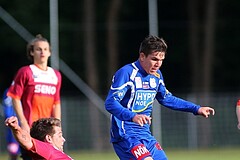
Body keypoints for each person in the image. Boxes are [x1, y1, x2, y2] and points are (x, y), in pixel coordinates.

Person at [105, 35, 215, 160]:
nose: (158, 64)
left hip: (145, 135)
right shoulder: (127, 73)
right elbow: (110, 103)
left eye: (161, 60)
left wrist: (196, 109)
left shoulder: (156, 76)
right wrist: (133, 116)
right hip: (125, 135)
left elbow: (167, 98)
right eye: (154, 59)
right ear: (142, 56)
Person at [7, 34, 62, 160]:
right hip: (30, 127)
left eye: (45, 49)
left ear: (49, 52)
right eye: (38, 49)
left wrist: (57, 125)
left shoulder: (56, 75)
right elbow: (15, 97)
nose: (42, 52)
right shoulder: (26, 72)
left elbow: (56, 102)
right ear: (31, 52)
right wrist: (23, 122)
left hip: (47, 129)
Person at [5, 116, 73, 160]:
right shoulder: (48, 149)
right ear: (49, 138)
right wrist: (16, 128)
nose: (63, 139)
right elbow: (27, 142)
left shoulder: (54, 153)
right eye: (59, 135)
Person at [2, 88, 20, 160]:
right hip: (13, 125)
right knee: (13, 151)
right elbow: (7, 109)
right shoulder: (9, 91)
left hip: (24, 124)